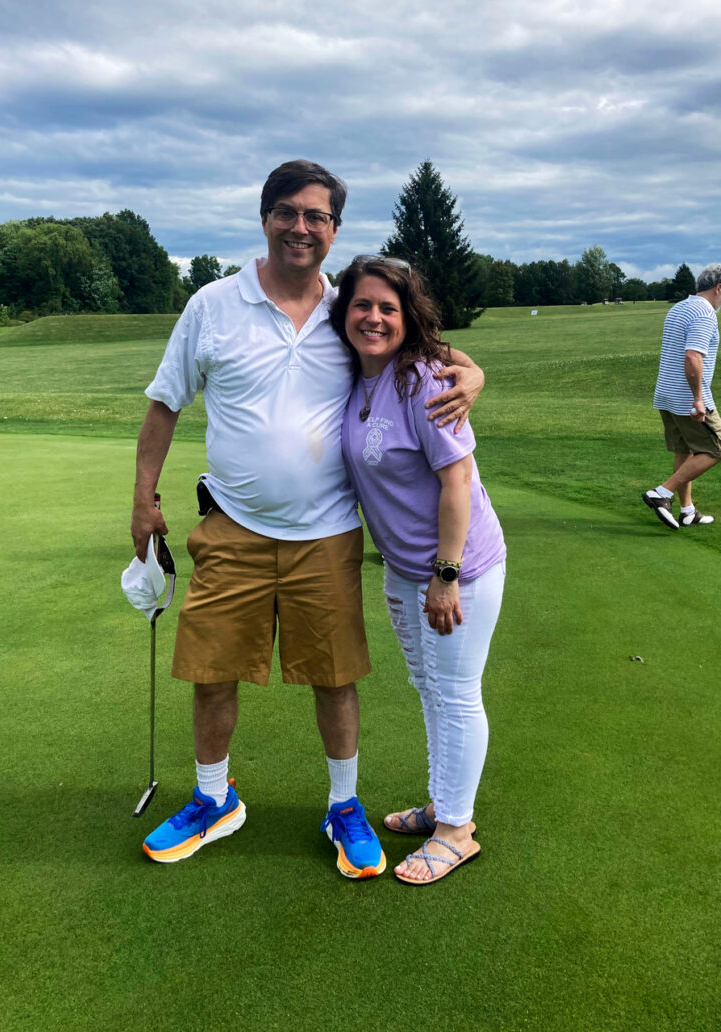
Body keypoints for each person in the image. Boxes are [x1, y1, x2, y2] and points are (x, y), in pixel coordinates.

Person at [129, 160, 485, 879]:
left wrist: (474, 373)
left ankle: (344, 805)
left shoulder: (348, 308)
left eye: (317, 217)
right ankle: (212, 797)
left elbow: (426, 351)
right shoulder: (211, 305)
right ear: (265, 218)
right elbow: (165, 403)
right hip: (232, 525)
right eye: (288, 212)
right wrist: (143, 496)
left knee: (334, 676)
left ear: (334, 230)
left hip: (325, 532)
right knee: (213, 671)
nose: (301, 227)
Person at [331, 256, 506, 885]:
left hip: (459, 566)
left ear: (408, 318)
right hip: (403, 569)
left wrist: (446, 573)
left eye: (388, 308)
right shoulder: (355, 374)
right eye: (362, 305)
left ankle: (457, 830)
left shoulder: (427, 381)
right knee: (429, 689)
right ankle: (443, 802)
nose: (374, 317)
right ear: (343, 311)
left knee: (456, 692)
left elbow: (456, 481)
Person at [642, 264, 721, 529]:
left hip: (666, 395)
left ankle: (687, 510)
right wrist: (698, 399)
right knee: (716, 448)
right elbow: (692, 356)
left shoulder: (680, 307)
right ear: (719, 288)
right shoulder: (705, 313)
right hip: (688, 398)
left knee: (685, 450)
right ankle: (662, 493)